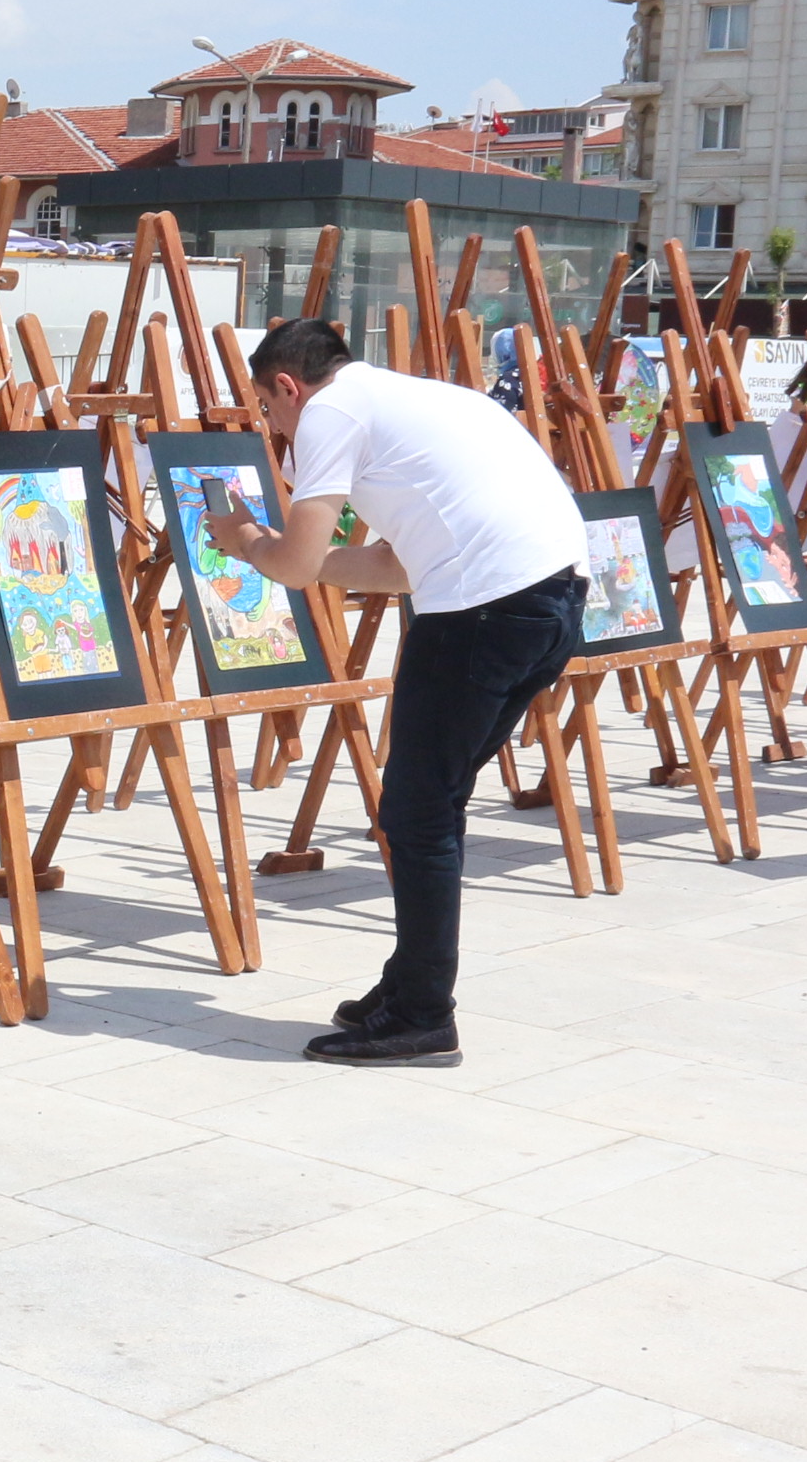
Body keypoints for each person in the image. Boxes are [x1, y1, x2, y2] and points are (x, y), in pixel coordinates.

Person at [207, 316, 588, 1065]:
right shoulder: (419, 400)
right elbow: (389, 568)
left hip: (482, 612)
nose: (274, 427)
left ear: (288, 385)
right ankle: (410, 981)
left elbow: (292, 563)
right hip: (551, 602)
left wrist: (244, 539)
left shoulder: (329, 413)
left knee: (416, 812)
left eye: (266, 408)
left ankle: (422, 1012)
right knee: (431, 805)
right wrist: (289, 556)